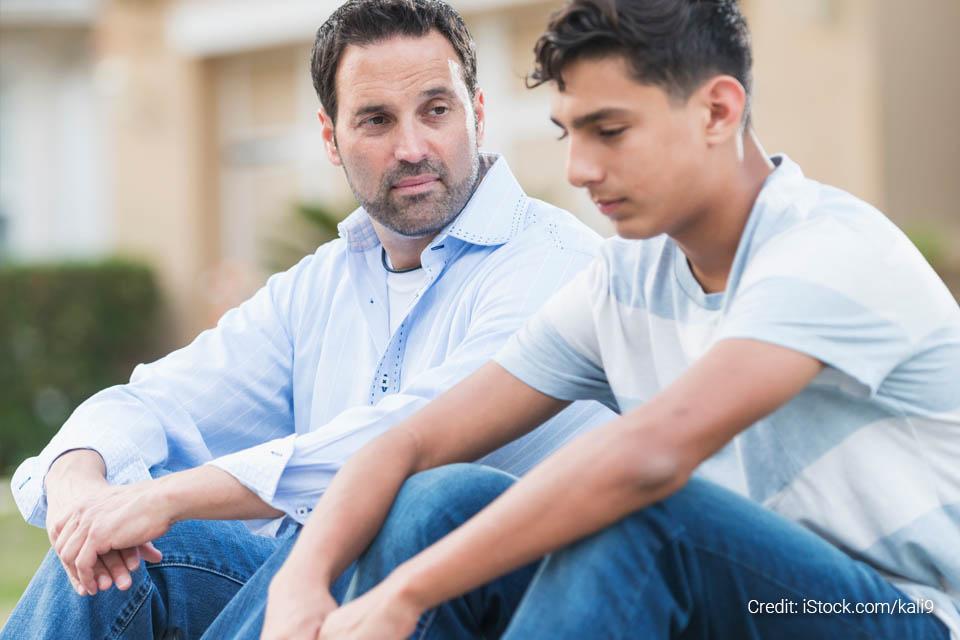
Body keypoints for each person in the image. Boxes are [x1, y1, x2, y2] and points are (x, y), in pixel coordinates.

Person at [258, 0, 960, 638]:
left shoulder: (825, 250)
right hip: (718, 605)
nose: (578, 169)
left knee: (644, 513)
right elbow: (410, 441)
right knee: (440, 498)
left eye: (609, 131)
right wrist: (300, 583)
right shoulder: (623, 283)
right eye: (568, 132)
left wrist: (407, 594)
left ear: (717, 111)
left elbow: (650, 457)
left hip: (888, 613)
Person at [0, 1, 614, 638]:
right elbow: (156, 401)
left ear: (477, 114)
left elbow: (400, 444)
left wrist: (166, 497)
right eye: (376, 120)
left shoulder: (554, 263)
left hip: (492, 603)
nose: (413, 148)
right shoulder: (320, 284)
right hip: (324, 588)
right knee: (117, 562)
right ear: (330, 138)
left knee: (394, 510)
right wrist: (78, 484)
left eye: (436, 111)